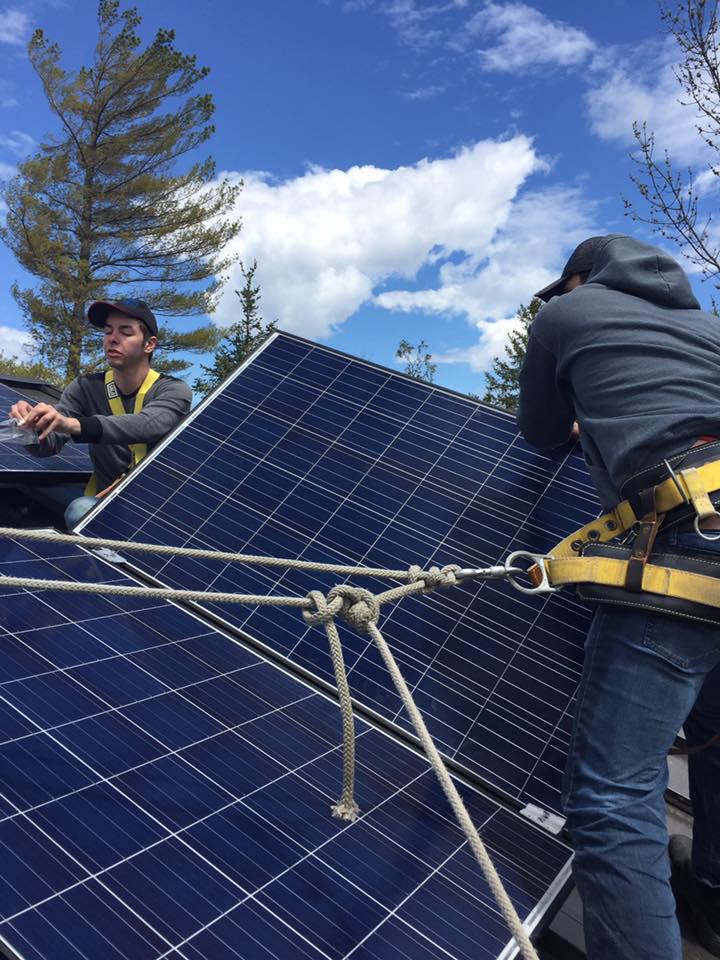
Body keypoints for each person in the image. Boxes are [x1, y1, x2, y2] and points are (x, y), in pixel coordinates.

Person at [517, 234, 720, 960]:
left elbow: (540, 432)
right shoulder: (711, 325)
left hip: (686, 542)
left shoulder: (567, 316)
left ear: (579, 278)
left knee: (612, 796)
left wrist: (588, 423)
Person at [8, 298, 192, 528]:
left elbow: (147, 425)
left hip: (161, 503)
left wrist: (72, 424)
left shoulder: (173, 390)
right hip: (105, 501)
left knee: (79, 511)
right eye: (108, 331)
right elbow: (48, 445)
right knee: (79, 511)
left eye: (126, 332)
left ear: (149, 344)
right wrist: (32, 429)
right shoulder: (85, 387)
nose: (112, 339)